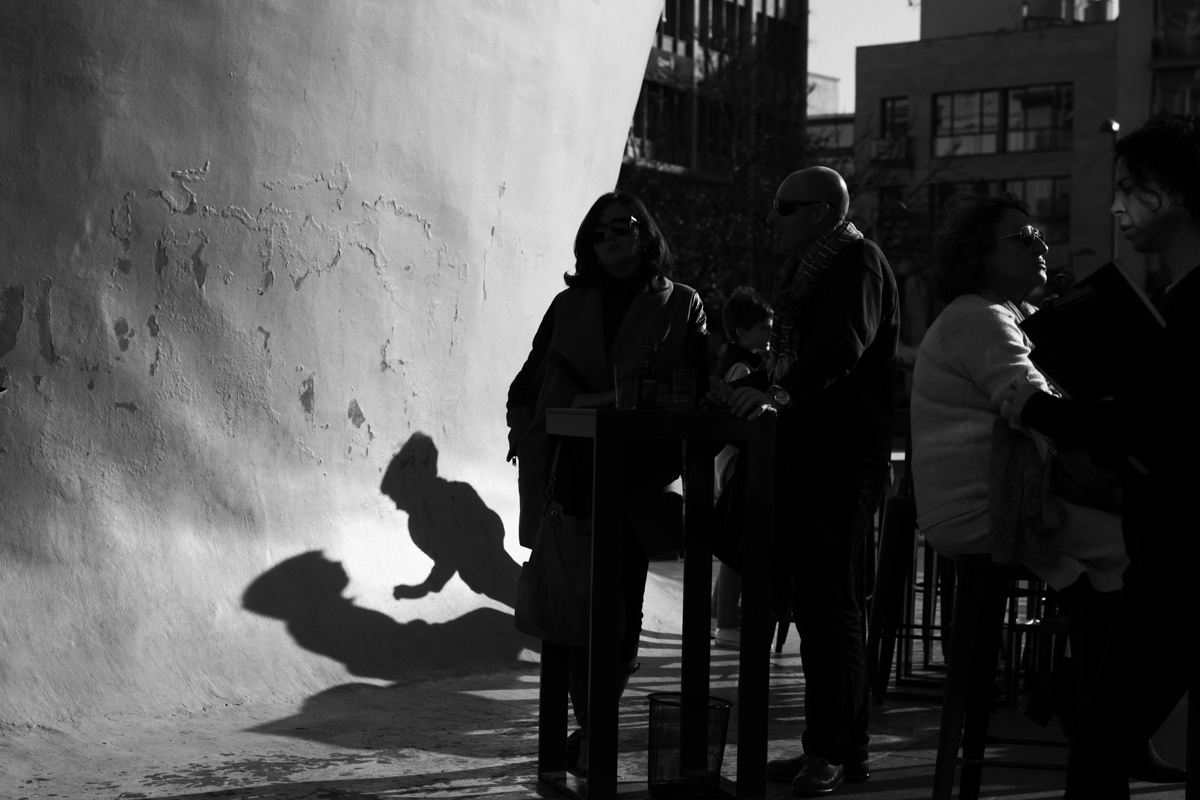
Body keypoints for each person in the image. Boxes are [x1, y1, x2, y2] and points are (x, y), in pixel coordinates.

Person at [1006, 115, 1200, 800]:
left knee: (1095, 754)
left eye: (1129, 187)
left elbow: (1156, 425)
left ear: (1174, 193)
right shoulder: (1175, 300)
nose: (1116, 204)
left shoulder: (1195, 304)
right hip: (1168, 558)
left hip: (1182, 565)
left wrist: (1041, 409)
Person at [506, 190, 708, 778]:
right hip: (571, 474)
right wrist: (528, 431)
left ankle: (595, 731)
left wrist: (604, 402)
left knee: (621, 613)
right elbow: (526, 382)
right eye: (599, 233)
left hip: (637, 477)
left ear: (646, 233)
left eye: (623, 227)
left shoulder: (682, 303)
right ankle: (595, 734)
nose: (611, 238)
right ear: (586, 244)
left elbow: (689, 389)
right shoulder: (569, 304)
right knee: (573, 615)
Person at [713, 166, 899, 796]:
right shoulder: (805, 272)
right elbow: (804, 351)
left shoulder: (858, 261)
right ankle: (835, 750)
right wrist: (762, 385)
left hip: (843, 456)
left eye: (785, 207)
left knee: (831, 602)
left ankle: (837, 752)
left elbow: (843, 343)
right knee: (820, 603)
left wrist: (779, 393)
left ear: (822, 212)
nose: (772, 217)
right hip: (811, 452)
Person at [709, 287, 773, 650]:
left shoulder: (736, 360)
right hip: (734, 463)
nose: (769, 336)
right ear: (742, 333)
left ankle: (721, 615)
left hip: (727, 462)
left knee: (735, 540)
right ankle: (729, 624)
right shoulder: (741, 367)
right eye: (764, 329)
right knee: (738, 542)